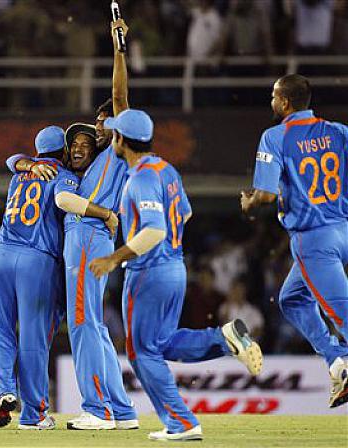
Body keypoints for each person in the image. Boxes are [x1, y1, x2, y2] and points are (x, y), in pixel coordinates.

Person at [89, 108, 263, 441]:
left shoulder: (140, 178)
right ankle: (223, 339)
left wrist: (114, 258)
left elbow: (154, 230)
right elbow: (185, 212)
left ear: (121, 139)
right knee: (160, 343)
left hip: (148, 272)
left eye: (114, 134)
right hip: (173, 268)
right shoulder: (166, 169)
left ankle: (181, 423)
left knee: (141, 352)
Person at [5, 19, 138, 431]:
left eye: (100, 124)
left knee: (82, 323)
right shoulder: (86, 169)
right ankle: (122, 410)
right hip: (87, 237)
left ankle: (98, 410)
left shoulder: (115, 149)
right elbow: (17, 161)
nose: (94, 132)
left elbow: (120, 97)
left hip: (87, 235)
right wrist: (22, 162)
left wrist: (118, 49)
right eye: (79, 139)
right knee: (93, 325)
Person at [240, 74, 348, 408]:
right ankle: (337, 362)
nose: (271, 101)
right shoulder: (338, 131)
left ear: (285, 102)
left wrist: (249, 204)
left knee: (343, 314)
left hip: (312, 239)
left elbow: (266, 195)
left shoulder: (275, 137)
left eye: (274, 96)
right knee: (292, 299)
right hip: (342, 228)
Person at [0, 126, 80, 430]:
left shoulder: (19, 173)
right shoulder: (64, 177)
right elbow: (66, 202)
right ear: (64, 151)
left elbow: (12, 160)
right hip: (36, 259)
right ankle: (34, 414)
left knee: (0, 329)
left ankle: (4, 390)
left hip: (1, 254)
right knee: (33, 338)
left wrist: (25, 163)